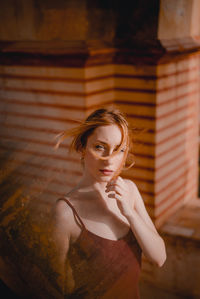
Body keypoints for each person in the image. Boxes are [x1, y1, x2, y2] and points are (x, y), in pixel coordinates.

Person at [50, 107, 166, 298]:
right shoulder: (64, 212)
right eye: (99, 147)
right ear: (82, 147)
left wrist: (129, 212)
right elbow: (54, 288)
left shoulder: (130, 191)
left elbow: (159, 258)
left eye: (119, 150)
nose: (110, 160)